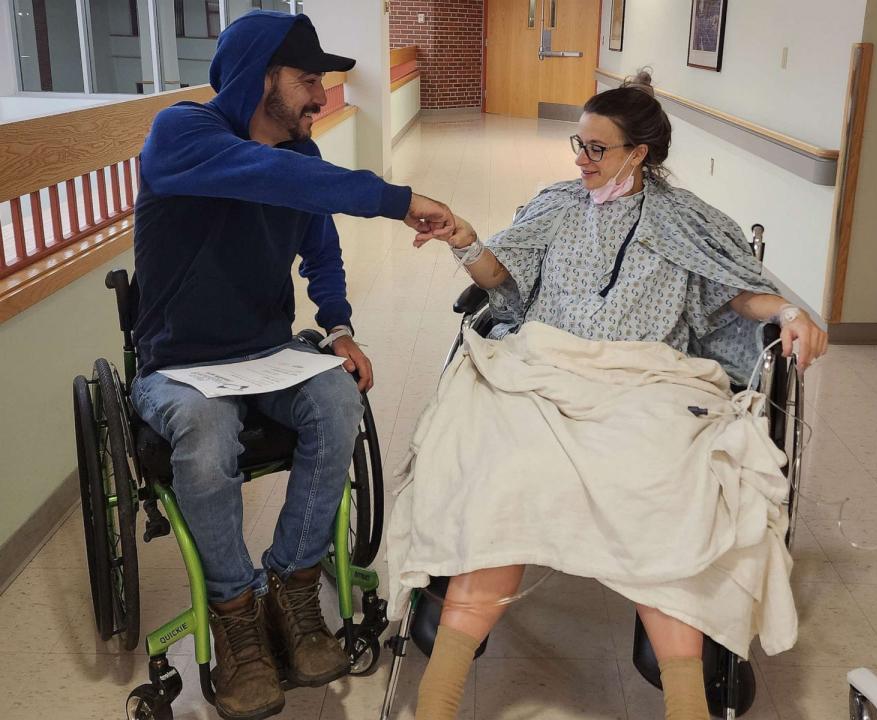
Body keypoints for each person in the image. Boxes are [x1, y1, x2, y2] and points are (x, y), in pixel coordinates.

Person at [387, 72, 828, 720]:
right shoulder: (557, 204)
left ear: (638, 153)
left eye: (596, 148)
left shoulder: (688, 220)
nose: (580, 159)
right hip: (544, 365)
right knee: (501, 475)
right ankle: (438, 700)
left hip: (647, 380)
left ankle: (687, 705)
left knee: (667, 492)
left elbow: (735, 290)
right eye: (579, 143)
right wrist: (462, 237)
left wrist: (789, 310)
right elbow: (502, 274)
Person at [130, 10, 453, 720]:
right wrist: (397, 201)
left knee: (340, 402)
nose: (321, 95)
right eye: (309, 80)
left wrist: (338, 329)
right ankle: (236, 615)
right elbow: (262, 174)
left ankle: (294, 588)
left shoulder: (302, 163)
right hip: (179, 363)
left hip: (266, 351)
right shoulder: (182, 135)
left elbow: (321, 249)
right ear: (259, 78)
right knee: (206, 435)